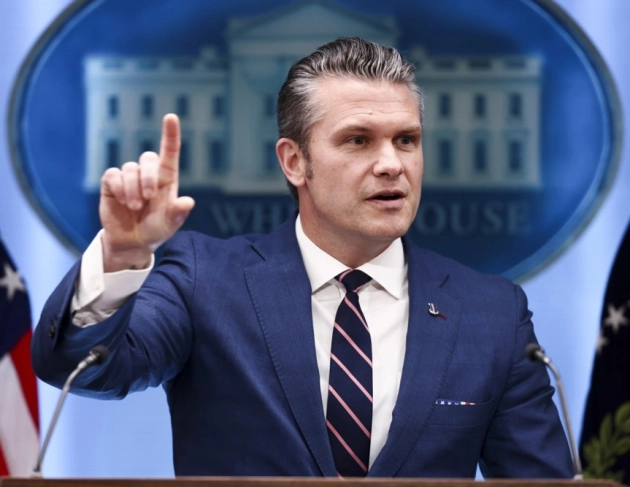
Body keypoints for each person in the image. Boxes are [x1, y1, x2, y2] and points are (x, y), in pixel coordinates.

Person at [31, 37, 573, 478]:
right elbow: (86, 368)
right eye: (358, 140)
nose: (392, 164)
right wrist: (123, 254)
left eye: (406, 140)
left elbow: (540, 481)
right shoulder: (204, 281)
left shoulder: (491, 314)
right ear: (295, 161)